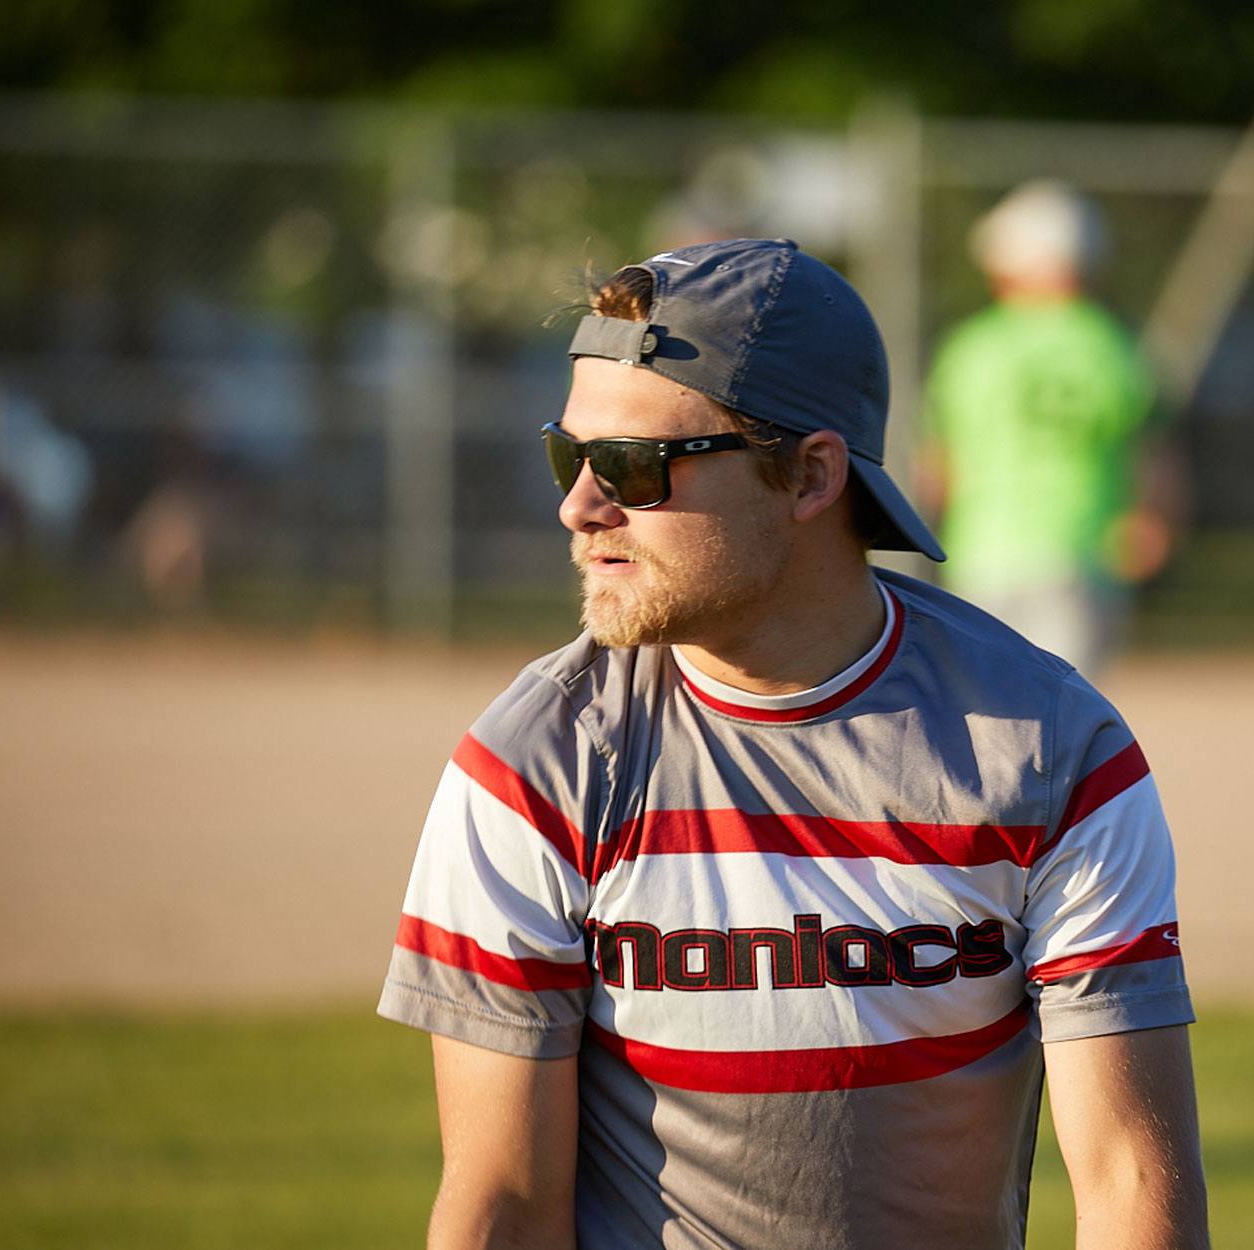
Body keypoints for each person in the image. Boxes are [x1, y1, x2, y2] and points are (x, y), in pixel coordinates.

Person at [377, 237, 1208, 1249]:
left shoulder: (1050, 751)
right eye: (570, 452)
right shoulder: (534, 763)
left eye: (634, 467)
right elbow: (502, 1200)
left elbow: (1131, 1183)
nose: (578, 505)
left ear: (811, 474)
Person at [922, 180, 1182, 675]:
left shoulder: (971, 347)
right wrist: (1154, 518)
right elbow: (1149, 452)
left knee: (983, 710)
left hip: (981, 551)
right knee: (1069, 717)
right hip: (1081, 552)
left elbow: (939, 467)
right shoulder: (1115, 347)